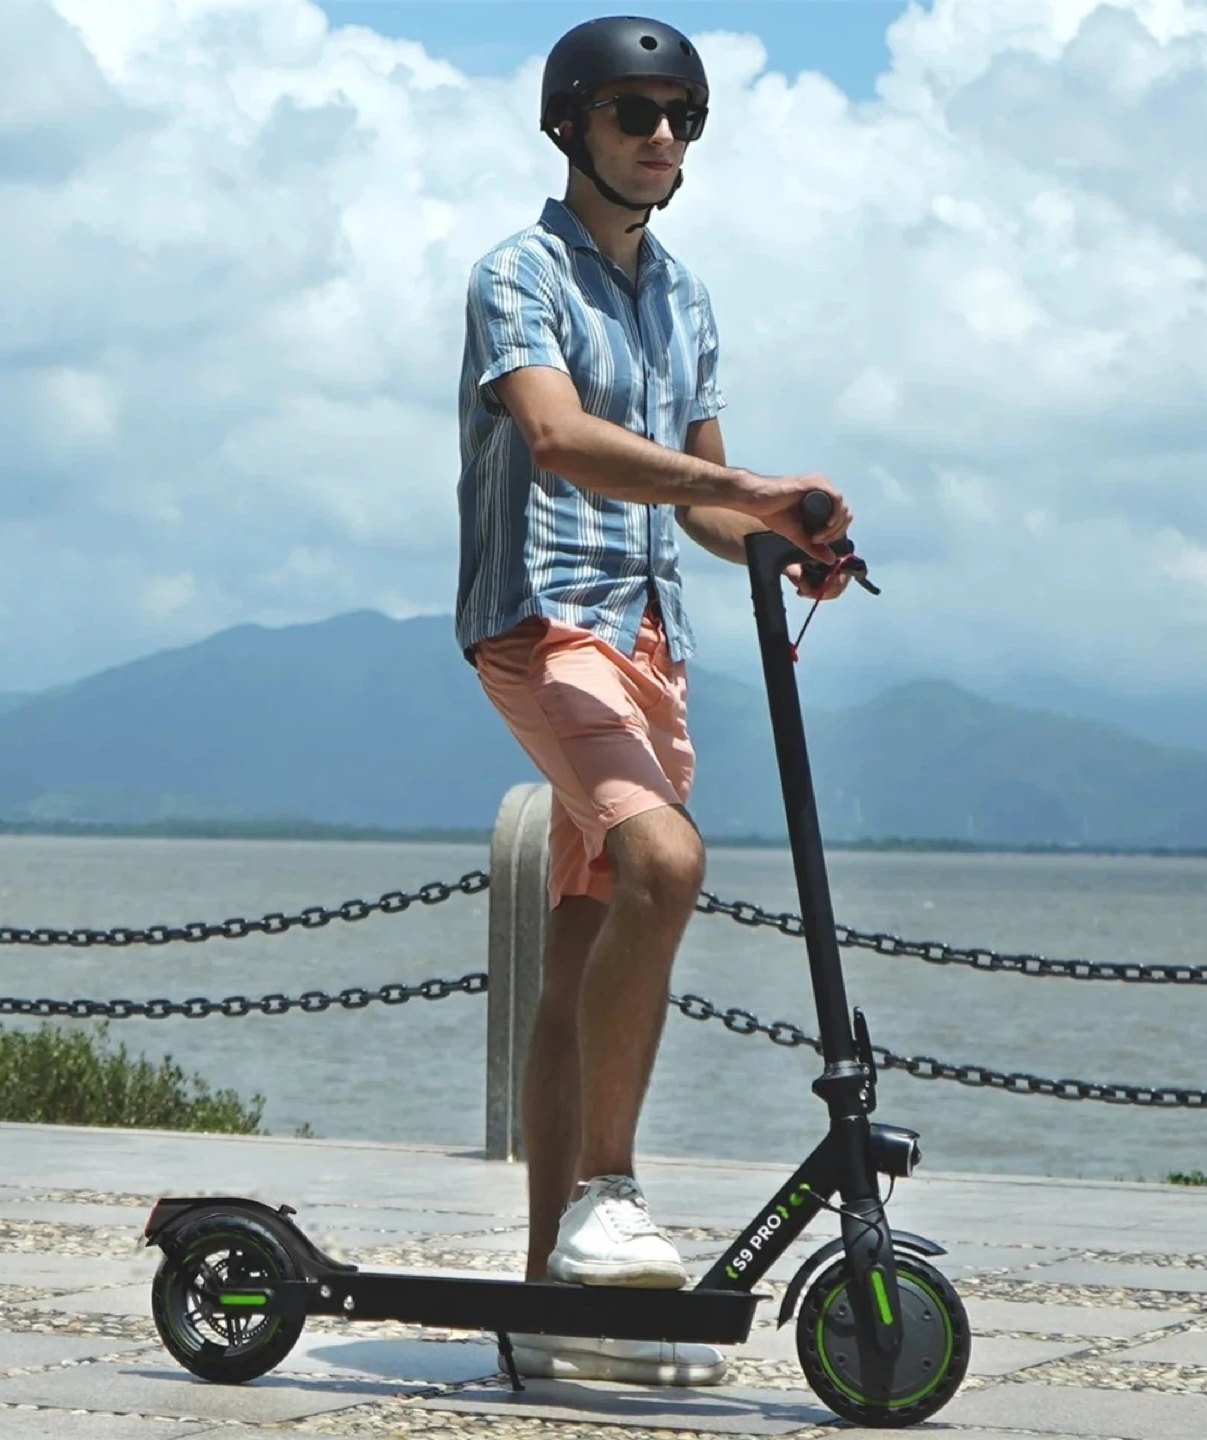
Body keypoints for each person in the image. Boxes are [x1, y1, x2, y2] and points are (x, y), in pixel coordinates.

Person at [454, 15, 853, 1386]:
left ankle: (546, 1301)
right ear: (571, 123)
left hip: (648, 644)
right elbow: (559, 440)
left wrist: (785, 536)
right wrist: (744, 487)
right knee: (666, 862)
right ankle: (608, 1196)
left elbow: (702, 506)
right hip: (544, 627)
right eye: (636, 111)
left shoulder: (685, 295)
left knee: (583, 951)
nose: (664, 134)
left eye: (684, 113)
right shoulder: (517, 274)